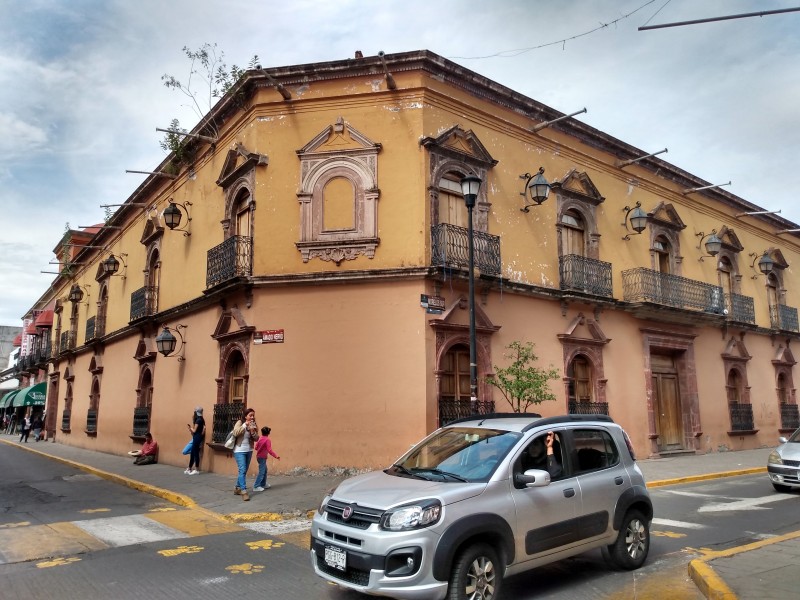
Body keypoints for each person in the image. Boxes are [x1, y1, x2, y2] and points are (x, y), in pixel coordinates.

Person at [231, 407, 259, 501]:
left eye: (253, 415)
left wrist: (252, 432)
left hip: (249, 450)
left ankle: (237, 488)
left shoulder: (253, 424)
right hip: (239, 450)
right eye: (250, 415)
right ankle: (244, 491)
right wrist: (244, 425)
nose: (252, 417)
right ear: (245, 416)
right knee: (242, 470)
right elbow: (235, 433)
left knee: (244, 470)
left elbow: (256, 438)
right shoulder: (240, 422)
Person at [253, 426, 280, 491]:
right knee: (262, 472)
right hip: (262, 457)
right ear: (268, 433)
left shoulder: (260, 438)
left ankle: (263, 484)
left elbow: (256, 448)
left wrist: (261, 448)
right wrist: (276, 456)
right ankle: (256, 486)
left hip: (259, 457)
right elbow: (269, 450)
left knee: (264, 470)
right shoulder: (267, 440)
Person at [185, 406, 205, 475]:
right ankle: (190, 468)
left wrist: (190, 427)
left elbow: (194, 430)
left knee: (195, 453)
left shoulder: (198, 420)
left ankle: (196, 469)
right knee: (193, 453)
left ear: (196, 412)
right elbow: (203, 429)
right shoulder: (202, 419)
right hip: (198, 437)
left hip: (196, 437)